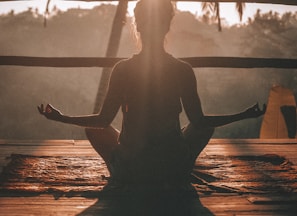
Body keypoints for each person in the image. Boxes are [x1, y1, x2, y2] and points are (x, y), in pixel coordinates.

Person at [38, 0, 265, 189]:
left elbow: (103, 121)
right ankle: (181, 168)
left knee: (94, 130)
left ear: (138, 26)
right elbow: (200, 121)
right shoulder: (182, 70)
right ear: (167, 26)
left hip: (132, 168)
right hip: (172, 167)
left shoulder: (123, 69)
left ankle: (120, 171)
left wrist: (62, 117)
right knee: (202, 127)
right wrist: (243, 115)